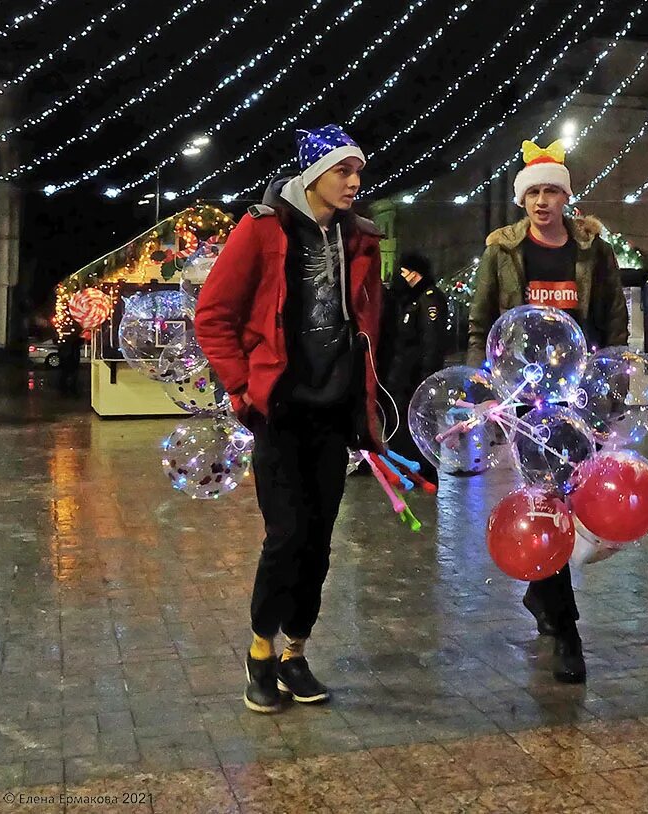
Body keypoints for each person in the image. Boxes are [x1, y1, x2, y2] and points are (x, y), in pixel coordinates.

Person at [195, 125, 384, 713]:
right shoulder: (262, 228)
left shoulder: (361, 238)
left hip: (335, 412)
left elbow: (371, 324)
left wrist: (369, 393)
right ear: (313, 174)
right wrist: (241, 388)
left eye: (358, 172)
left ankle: (294, 654)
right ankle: (259, 652)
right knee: (286, 537)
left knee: (321, 541)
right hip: (278, 411)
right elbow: (213, 315)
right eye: (343, 172)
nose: (355, 182)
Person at [467, 138, 629, 684]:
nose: (542, 201)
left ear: (565, 197)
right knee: (548, 499)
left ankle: (541, 593)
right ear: (521, 200)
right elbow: (480, 323)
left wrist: (612, 384)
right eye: (533, 191)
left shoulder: (592, 251)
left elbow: (613, 323)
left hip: (580, 396)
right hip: (525, 402)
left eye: (551, 191)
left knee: (574, 498)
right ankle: (567, 630)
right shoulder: (502, 252)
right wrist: (484, 388)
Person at [380, 252, 448, 480]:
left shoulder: (429, 299)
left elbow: (432, 342)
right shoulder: (410, 300)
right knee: (400, 427)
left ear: (414, 273)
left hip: (415, 379)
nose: (400, 276)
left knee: (417, 426)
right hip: (402, 377)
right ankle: (406, 470)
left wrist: (427, 377)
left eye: (403, 271)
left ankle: (421, 473)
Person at [57, 328, 83, 395]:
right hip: (70, 359)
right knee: (69, 376)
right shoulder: (74, 340)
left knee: (66, 375)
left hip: (69, 359)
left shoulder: (65, 341)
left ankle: (66, 390)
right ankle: (69, 390)